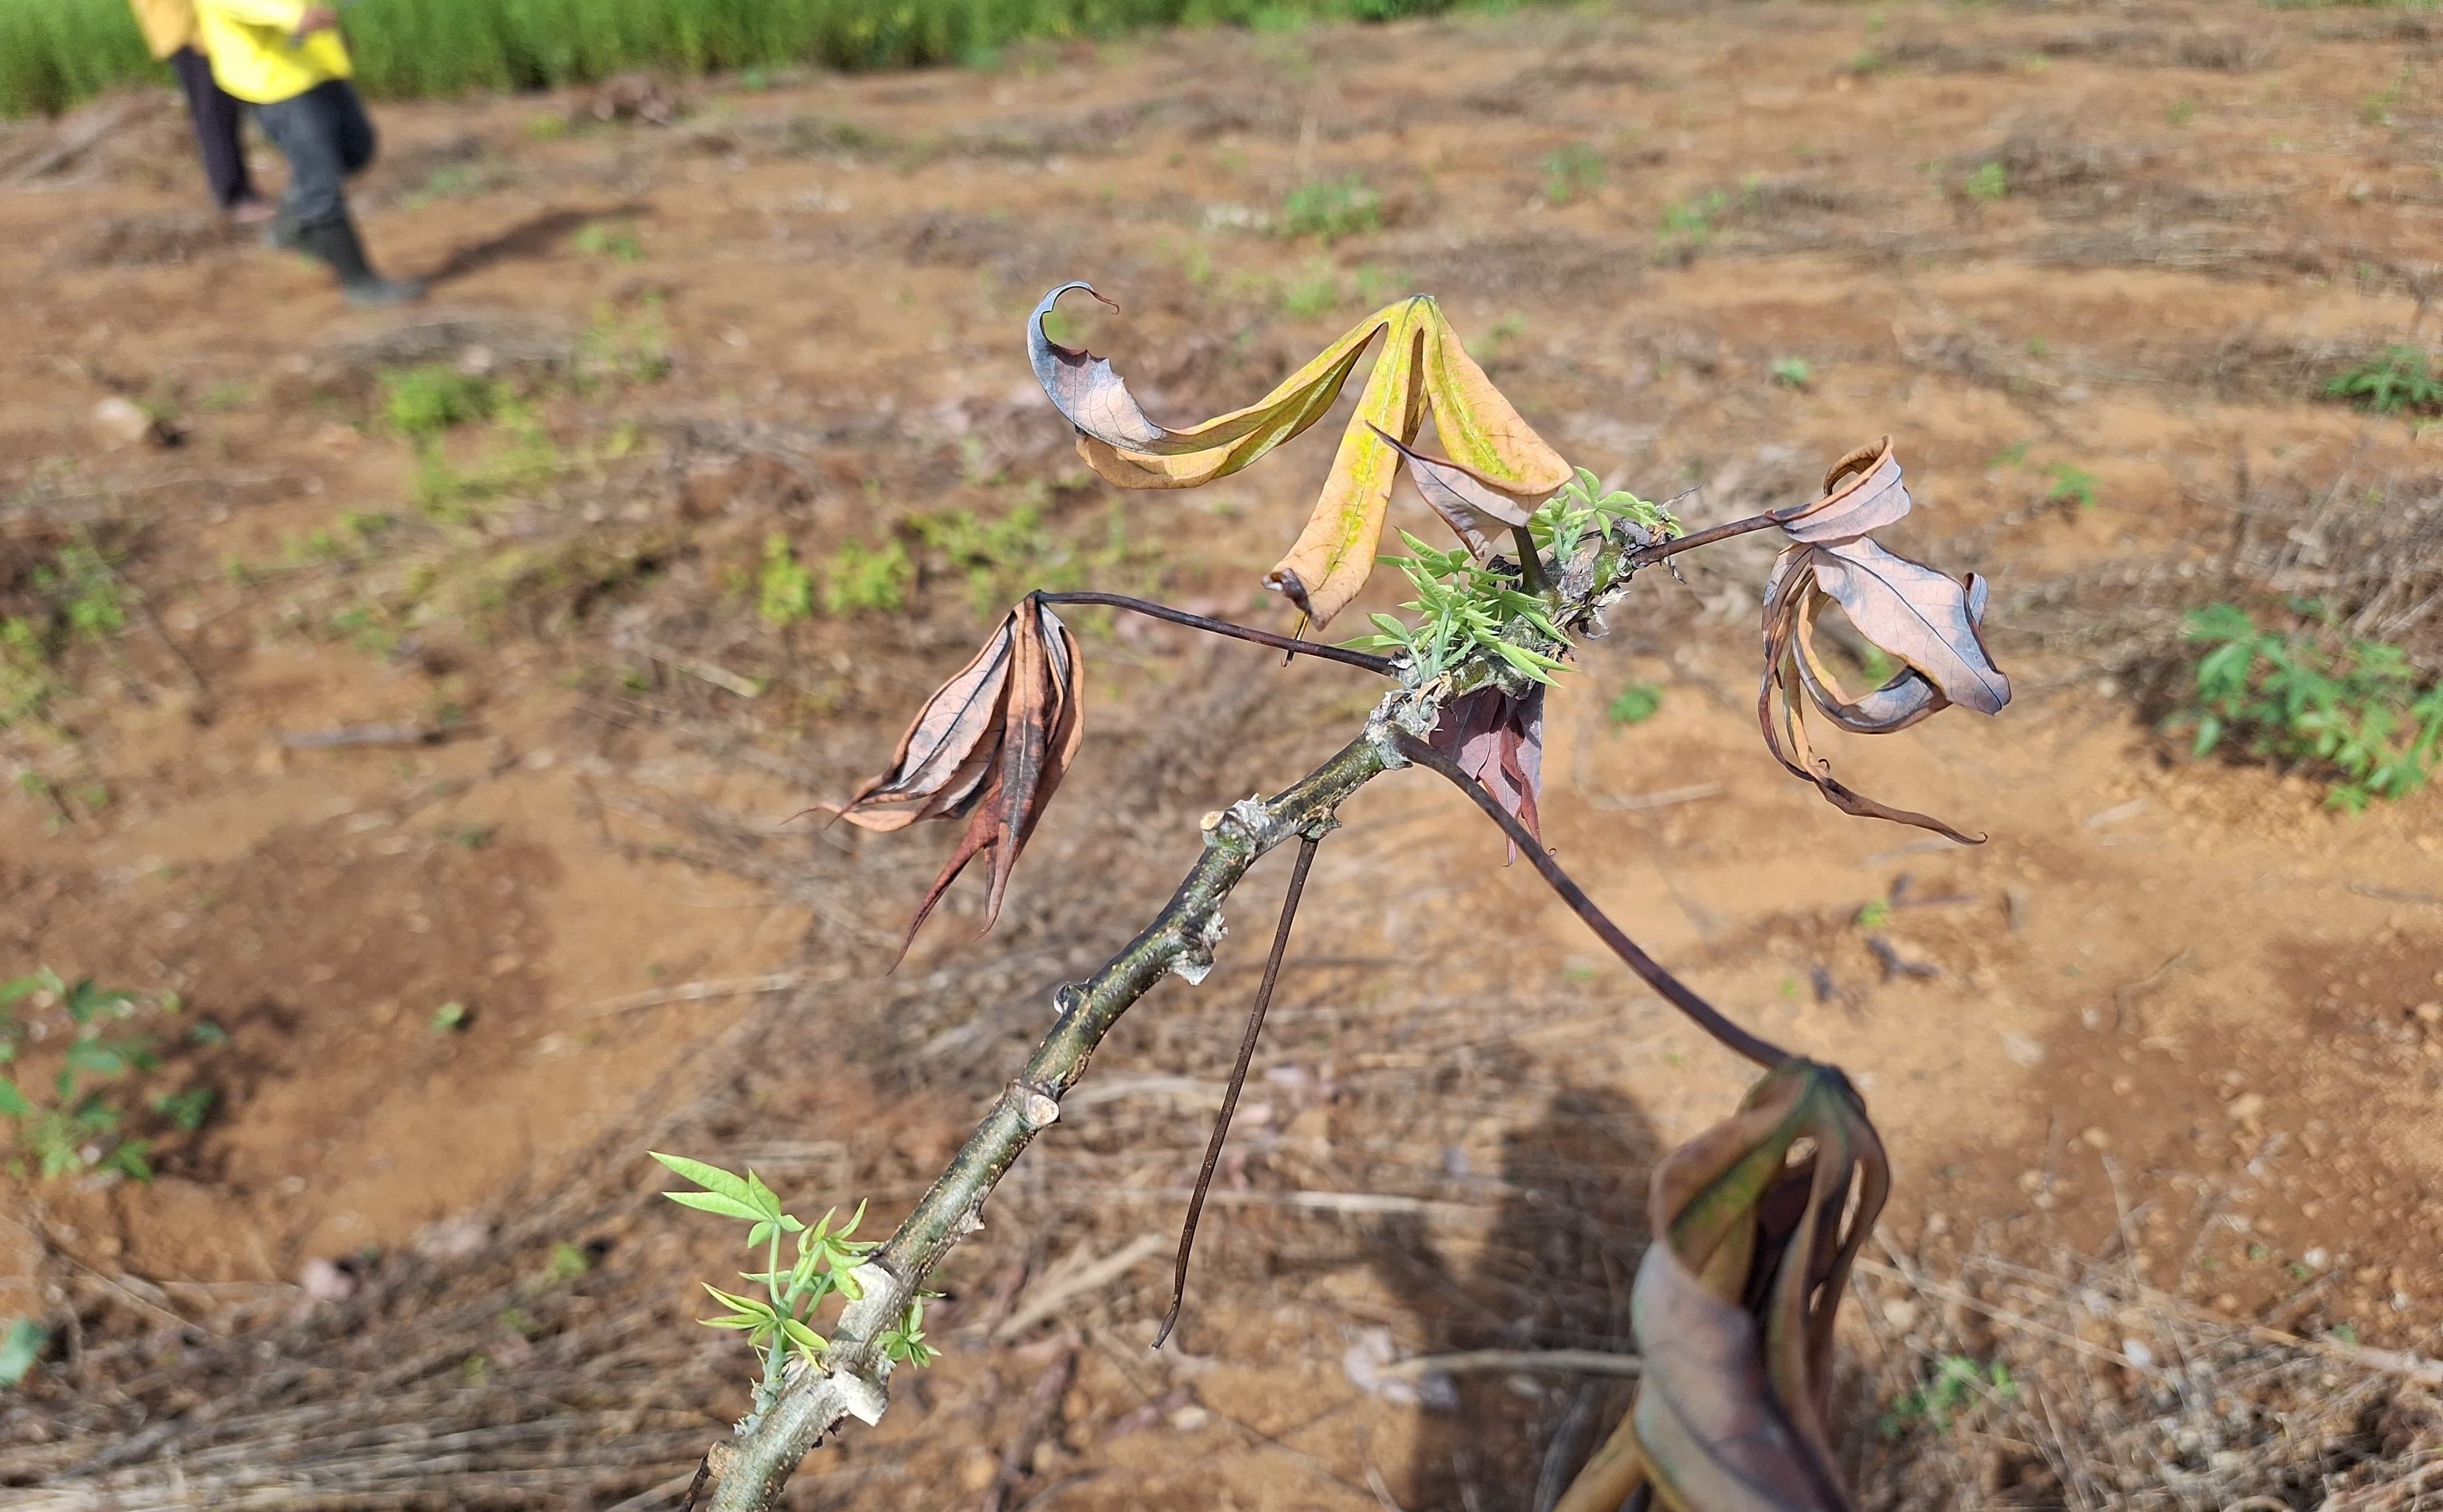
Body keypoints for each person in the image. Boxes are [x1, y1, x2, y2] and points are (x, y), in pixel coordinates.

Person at [193, 0, 422, 307]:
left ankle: (290, 227)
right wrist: (295, 17)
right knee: (321, 180)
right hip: (276, 81)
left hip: (316, 62)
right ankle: (360, 284)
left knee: (357, 148)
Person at [127, 0, 273, 224]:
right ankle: (234, 197)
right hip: (189, 33)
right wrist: (198, 34)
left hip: (199, 30)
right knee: (214, 112)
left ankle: (240, 192)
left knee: (221, 111)